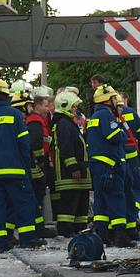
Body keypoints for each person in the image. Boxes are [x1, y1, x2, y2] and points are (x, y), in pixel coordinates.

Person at [0, 80, 42, 253]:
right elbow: (24, 145)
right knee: (23, 204)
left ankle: (1, 243)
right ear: (7, 96)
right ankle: (27, 239)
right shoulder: (16, 115)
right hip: (16, 170)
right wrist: (27, 168)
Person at [86, 84, 134, 248]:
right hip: (109, 165)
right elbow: (115, 137)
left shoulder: (94, 117)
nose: (116, 102)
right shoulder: (106, 116)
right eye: (114, 98)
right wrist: (121, 128)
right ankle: (120, 236)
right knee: (116, 198)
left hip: (98, 166)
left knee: (101, 200)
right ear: (108, 100)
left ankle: (102, 234)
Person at [51, 91, 90, 237]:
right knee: (69, 203)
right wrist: (73, 167)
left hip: (78, 173)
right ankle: (66, 230)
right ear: (65, 106)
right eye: (73, 107)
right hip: (69, 175)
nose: (76, 109)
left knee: (80, 204)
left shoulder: (68, 124)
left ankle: (80, 229)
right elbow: (66, 148)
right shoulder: (63, 124)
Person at [118, 92, 140, 239]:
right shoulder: (131, 113)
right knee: (135, 186)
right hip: (132, 155)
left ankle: (125, 215)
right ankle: (134, 214)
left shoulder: (108, 116)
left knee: (121, 187)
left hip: (117, 156)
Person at [26, 95, 55, 238]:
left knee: (38, 197)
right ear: (37, 106)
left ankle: (38, 227)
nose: (47, 108)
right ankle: (37, 228)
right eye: (45, 105)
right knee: (36, 197)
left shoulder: (39, 122)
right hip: (36, 167)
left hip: (37, 165)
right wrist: (40, 160)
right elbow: (35, 144)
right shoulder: (35, 122)